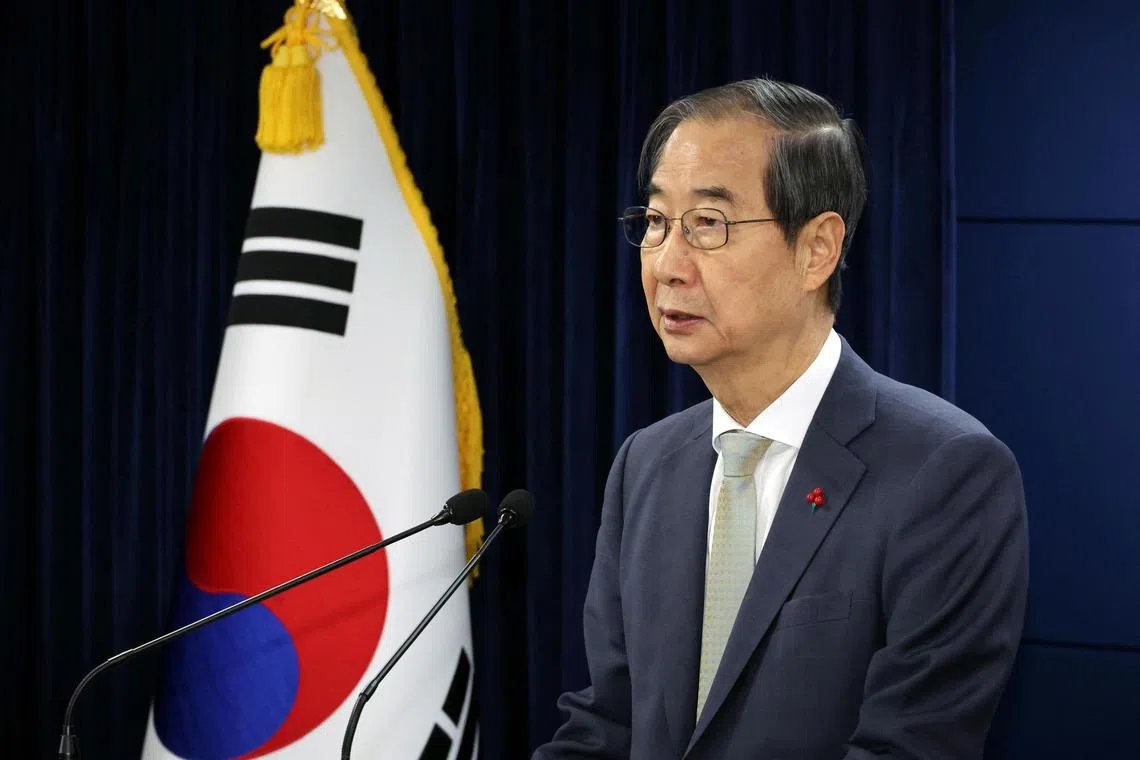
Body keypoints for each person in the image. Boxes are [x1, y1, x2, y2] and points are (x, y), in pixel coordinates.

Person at [532, 78, 1029, 760]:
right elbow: (607, 727)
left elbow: (910, 748)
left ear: (817, 249)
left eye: (708, 224)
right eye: (654, 222)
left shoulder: (945, 472)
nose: (668, 266)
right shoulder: (646, 464)